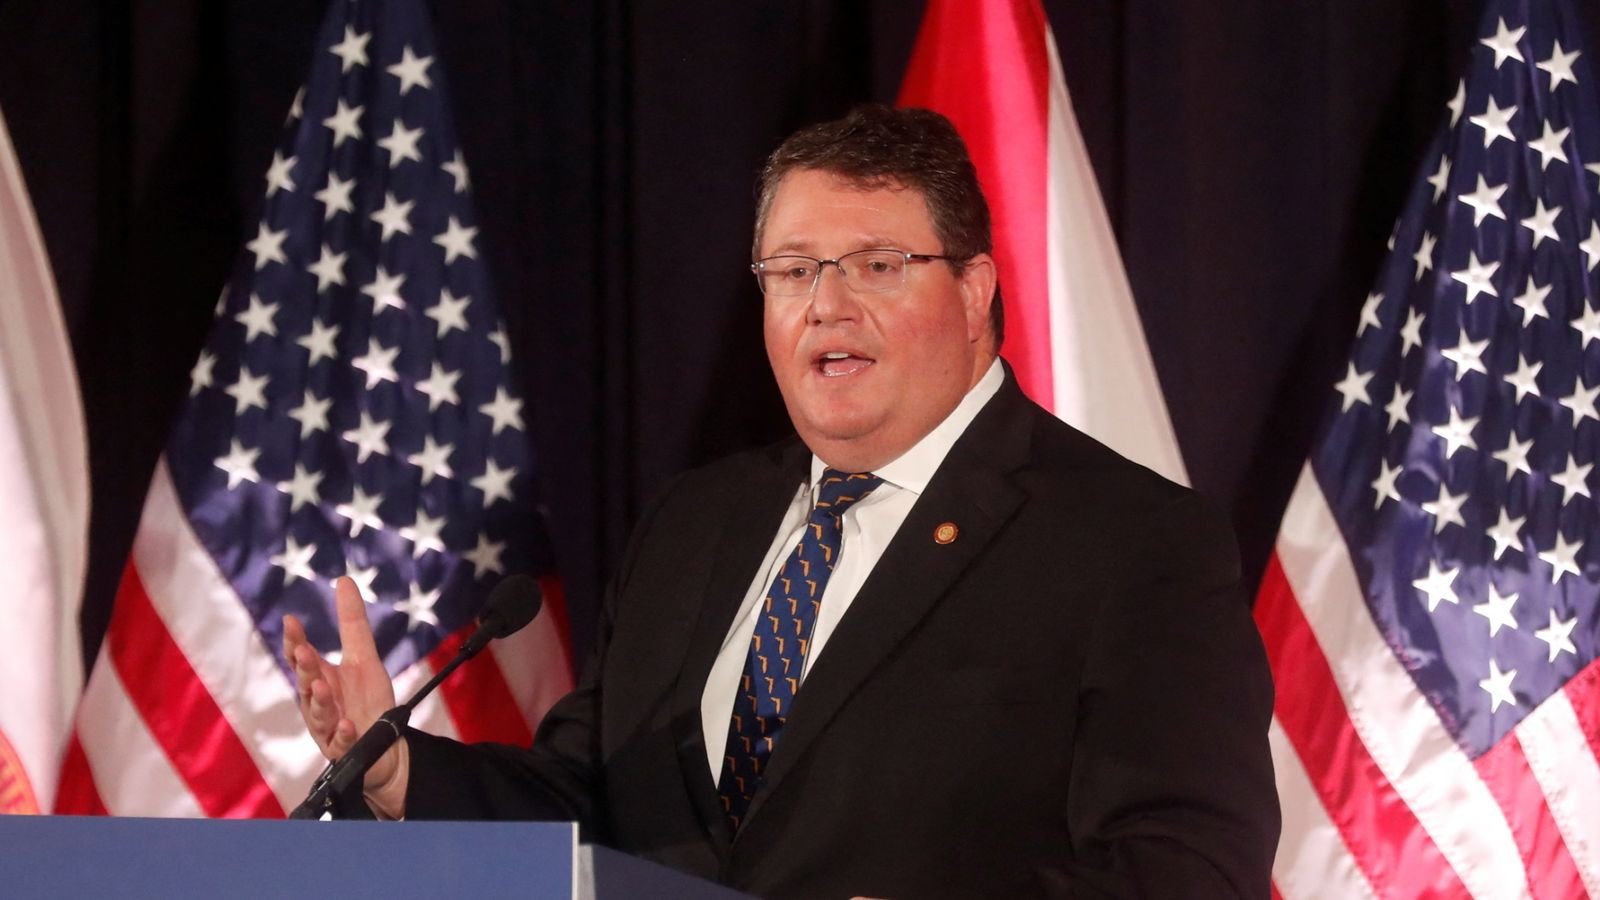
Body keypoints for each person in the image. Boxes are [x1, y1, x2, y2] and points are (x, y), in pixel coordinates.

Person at [285, 104, 1279, 899]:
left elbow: (1189, 868)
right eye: (794, 271)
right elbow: (594, 801)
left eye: (878, 267)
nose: (826, 306)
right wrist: (399, 770)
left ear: (976, 291)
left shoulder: (1131, 541)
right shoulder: (694, 522)